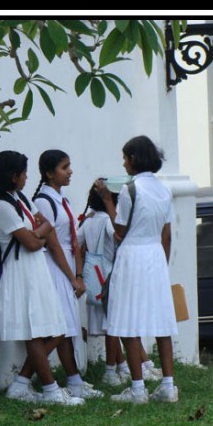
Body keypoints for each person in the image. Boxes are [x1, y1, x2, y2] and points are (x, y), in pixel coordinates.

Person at [0, 150, 80, 406]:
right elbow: (31, 241)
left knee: (57, 328)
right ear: (13, 176)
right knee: (35, 334)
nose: (28, 178)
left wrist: (40, 232)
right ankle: (51, 389)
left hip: (36, 270)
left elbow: (43, 228)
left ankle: (21, 382)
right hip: (21, 272)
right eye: (24, 173)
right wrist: (40, 232)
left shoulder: (20, 198)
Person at [95, 136, 178, 404]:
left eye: (125, 158)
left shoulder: (131, 190)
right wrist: (162, 264)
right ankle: (168, 385)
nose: (123, 163)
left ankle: (138, 389)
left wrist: (108, 200)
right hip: (155, 255)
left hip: (132, 254)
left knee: (129, 321)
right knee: (162, 320)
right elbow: (167, 234)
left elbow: (119, 231)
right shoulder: (165, 190)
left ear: (133, 159)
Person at [32, 150, 103, 400]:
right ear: (50, 173)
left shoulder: (63, 200)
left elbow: (74, 238)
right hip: (54, 266)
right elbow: (52, 243)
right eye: (64, 167)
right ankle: (34, 376)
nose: (70, 171)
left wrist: (79, 274)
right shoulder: (44, 201)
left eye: (70, 166)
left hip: (68, 264)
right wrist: (71, 276)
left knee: (69, 325)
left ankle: (74, 379)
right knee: (61, 325)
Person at [78, 185, 162, 387]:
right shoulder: (107, 220)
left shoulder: (87, 221)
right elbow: (119, 235)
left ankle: (131, 365)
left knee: (112, 326)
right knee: (115, 326)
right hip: (109, 276)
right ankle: (112, 370)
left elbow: (77, 241)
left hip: (93, 279)